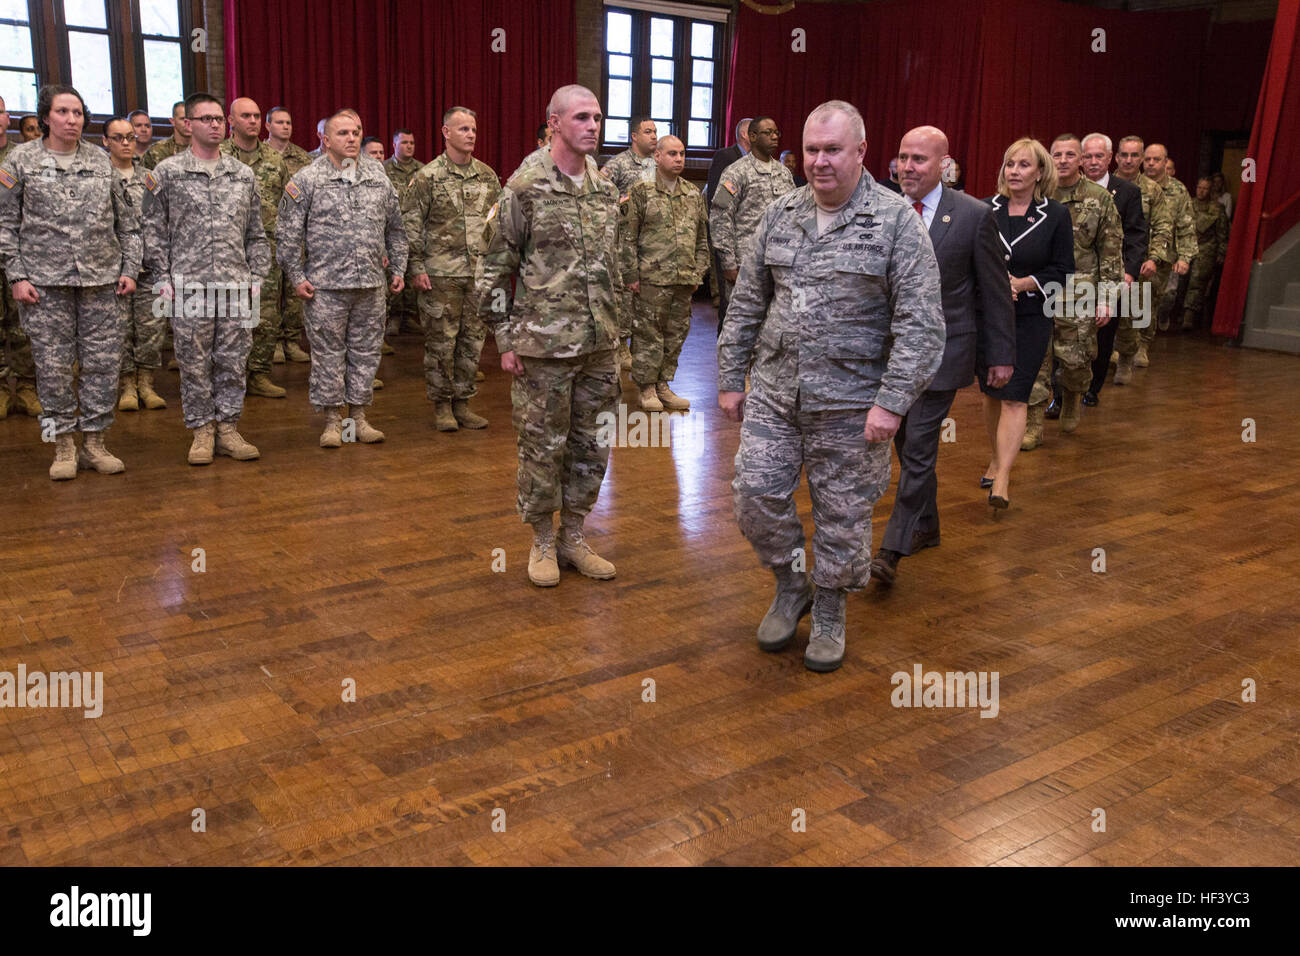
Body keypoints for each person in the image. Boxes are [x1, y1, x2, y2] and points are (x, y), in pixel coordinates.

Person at [719, 101, 945, 672]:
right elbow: (747, 301)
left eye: (832, 150)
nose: (819, 162)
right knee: (754, 496)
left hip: (854, 404)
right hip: (775, 391)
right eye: (812, 150)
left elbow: (921, 325)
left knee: (843, 517)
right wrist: (730, 378)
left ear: (862, 152)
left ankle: (829, 609)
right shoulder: (780, 213)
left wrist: (892, 403)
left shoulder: (896, 221)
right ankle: (792, 582)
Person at [478, 84, 623, 588]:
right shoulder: (524, 187)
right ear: (554, 123)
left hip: (600, 346)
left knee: (593, 443)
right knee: (543, 446)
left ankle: (574, 536)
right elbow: (494, 270)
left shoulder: (605, 191)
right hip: (543, 348)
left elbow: (615, 267)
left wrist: (618, 332)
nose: (593, 126)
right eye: (582, 117)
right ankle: (542, 538)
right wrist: (505, 338)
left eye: (598, 118)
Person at [871, 126, 1014, 587]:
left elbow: (993, 290)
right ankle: (927, 525)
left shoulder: (973, 216)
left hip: (944, 352)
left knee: (918, 448)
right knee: (902, 441)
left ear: (944, 166)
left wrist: (1000, 353)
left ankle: (892, 548)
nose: (907, 168)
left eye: (919, 160)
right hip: (890, 355)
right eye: (902, 158)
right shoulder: (881, 210)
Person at [0, 85, 141, 480]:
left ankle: (95, 443)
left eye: (78, 112)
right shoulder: (20, 160)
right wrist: (17, 275)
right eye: (63, 112)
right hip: (44, 285)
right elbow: (5, 224)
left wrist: (129, 269)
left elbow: (128, 224)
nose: (71, 119)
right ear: (46, 117)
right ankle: (62, 443)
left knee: (102, 365)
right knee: (52, 367)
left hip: (101, 282)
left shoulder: (101, 161)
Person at [143, 92, 269, 465]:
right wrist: (162, 278)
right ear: (188, 125)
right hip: (189, 286)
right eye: (206, 119)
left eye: (219, 119)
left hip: (235, 286)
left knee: (233, 359)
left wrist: (257, 275)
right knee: (194, 361)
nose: (215, 125)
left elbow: (256, 232)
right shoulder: (166, 173)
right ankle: (202, 430)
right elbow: (154, 230)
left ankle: (228, 427)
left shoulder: (243, 174)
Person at [276, 108, 407, 448]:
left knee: (366, 354)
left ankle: (359, 417)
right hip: (325, 287)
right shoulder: (307, 179)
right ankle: (333, 421)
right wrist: (295, 276)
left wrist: (399, 268)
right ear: (326, 139)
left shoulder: (378, 175)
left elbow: (395, 228)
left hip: (370, 286)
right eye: (343, 133)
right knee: (328, 356)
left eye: (357, 132)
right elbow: (288, 234)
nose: (352, 138)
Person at [980, 139, 1074, 503]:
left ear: (1039, 172)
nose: (1014, 171)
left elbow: (1063, 270)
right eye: (1009, 164)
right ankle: (995, 457)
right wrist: (999, 284)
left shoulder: (1056, 215)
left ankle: (1003, 477)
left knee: (1015, 395)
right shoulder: (985, 209)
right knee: (991, 393)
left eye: (1023, 165)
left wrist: (1024, 283)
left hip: (1033, 315)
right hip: (990, 315)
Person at [402, 106, 500, 432]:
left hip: (477, 273)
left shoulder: (487, 176)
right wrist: (415, 267)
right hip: (440, 274)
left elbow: (495, 225)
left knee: (472, 343)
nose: (470, 134)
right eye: (463, 129)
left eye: (473, 129)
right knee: (441, 344)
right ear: (446, 132)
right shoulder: (427, 177)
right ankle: (442, 406)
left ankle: (464, 403)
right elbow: (411, 226)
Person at [1030, 134, 1121, 441]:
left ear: (1081, 159)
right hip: (1040, 286)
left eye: (1071, 154)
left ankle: (1071, 395)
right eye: (1057, 155)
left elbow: (1110, 252)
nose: (1064, 160)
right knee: (1035, 358)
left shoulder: (1100, 198)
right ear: (1049, 160)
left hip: (1080, 290)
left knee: (1074, 359)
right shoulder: (1037, 194)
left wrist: (1107, 299)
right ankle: (1033, 423)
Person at [620, 134, 708, 411]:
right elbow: (627, 238)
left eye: (682, 153)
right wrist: (631, 275)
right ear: (656, 157)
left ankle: (663, 385)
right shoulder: (641, 192)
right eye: (672, 153)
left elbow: (702, 240)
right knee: (648, 336)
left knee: (675, 335)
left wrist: (699, 272)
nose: (679, 158)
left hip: (684, 280)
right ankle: (646, 388)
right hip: (651, 280)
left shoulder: (693, 194)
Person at [220, 97, 291, 405]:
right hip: (225, 249)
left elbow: (290, 207)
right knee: (227, 317)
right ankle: (227, 377)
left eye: (256, 115)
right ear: (230, 120)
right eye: (244, 115)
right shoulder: (217, 156)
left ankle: (259, 373)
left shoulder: (275, 161)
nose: (251, 120)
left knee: (265, 314)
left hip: (267, 249)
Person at [102, 116, 165, 413]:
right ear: (106, 142)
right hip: (112, 269)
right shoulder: (99, 178)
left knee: (151, 329)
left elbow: (164, 222)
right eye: (118, 138)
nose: (126, 142)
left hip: (150, 267)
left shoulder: (151, 178)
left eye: (130, 137)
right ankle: (126, 384)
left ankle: (146, 382)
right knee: (119, 330)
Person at [709, 116, 795, 323]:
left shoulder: (784, 174)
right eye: (768, 133)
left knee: (772, 326)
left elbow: (793, 216)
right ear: (753, 136)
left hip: (776, 264)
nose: (774, 137)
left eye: (776, 133)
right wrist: (728, 263)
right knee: (740, 323)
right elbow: (720, 217)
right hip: (744, 265)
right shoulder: (736, 172)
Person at [1080, 132, 1145, 405]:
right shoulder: (1069, 188)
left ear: (1109, 158)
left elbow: (1137, 236)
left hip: (1111, 277)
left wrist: (1129, 272)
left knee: (1103, 334)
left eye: (1099, 156)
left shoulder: (1128, 192)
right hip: (1077, 276)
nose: (1093, 162)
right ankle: (1063, 392)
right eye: (1088, 156)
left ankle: (1092, 388)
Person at [1111, 135, 1172, 383]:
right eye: (1124, 155)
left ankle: (1126, 358)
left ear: (1142, 159)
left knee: (1129, 317)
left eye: (1135, 155)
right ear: (1115, 157)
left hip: (1135, 262)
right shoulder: (1103, 184)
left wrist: (1155, 258)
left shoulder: (1151, 190)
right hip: (1102, 261)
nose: (1128, 160)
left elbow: (1162, 226)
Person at [601, 116, 658, 371]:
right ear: (634, 136)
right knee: (625, 293)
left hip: (649, 238)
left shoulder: (655, 164)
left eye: (656, 131)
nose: (654, 136)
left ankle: (640, 343)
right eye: (648, 131)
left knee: (645, 293)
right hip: (623, 240)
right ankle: (621, 344)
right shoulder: (619, 164)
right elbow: (599, 193)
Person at [0, 94, 41, 420]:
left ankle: (27, 388)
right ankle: (1, 390)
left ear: (7, 117)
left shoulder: (22, 156)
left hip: (21, 253)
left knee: (23, 324)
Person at [264, 106, 313, 363]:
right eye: (280, 122)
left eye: (289, 122)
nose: (285, 126)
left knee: (295, 293)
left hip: (297, 236)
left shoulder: (304, 159)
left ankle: (292, 341)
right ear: (268, 126)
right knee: (270, 294)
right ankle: (271, 344)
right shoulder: (259, 156)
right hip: (267, 235)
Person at [1143, 143, 1197, 353]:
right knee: (1126, 300)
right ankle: (1121, 346)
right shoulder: (1132, 186)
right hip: (1131, 253)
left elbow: (1186, 224)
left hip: (1162, 257)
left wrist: (1185, 257)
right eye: (1147, 159)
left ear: (1166, 163)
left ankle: (1141, 344)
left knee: (1150, 300)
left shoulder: (1177, 190)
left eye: (1156, 160)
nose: (1151, 163)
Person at [705, 117, 751, 327]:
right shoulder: (726, 157)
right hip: (730, 237)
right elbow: (717, 198)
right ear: (744, 133)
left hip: (752, 245)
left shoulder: (762, 162)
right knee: (729, 300)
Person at [1182, 176, 1228, 331]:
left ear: (1210, 190)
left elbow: (1222, 233)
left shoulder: (1217, 208)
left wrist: (1221, 253)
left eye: (1205, 188)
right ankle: (1176, 315)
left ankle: (1189, 318)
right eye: (1199, 187)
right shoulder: (1188, 204)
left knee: (1197, 282)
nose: (1201, 191)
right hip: (1186, 248)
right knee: (1181, 283)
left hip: (1206, 249)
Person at [142, 101, 191, 170]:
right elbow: (144, 178)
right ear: (173, 121)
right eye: (183, 119)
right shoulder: (156, 151)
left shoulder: (206, 149)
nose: (188, 123)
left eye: (191, 119)